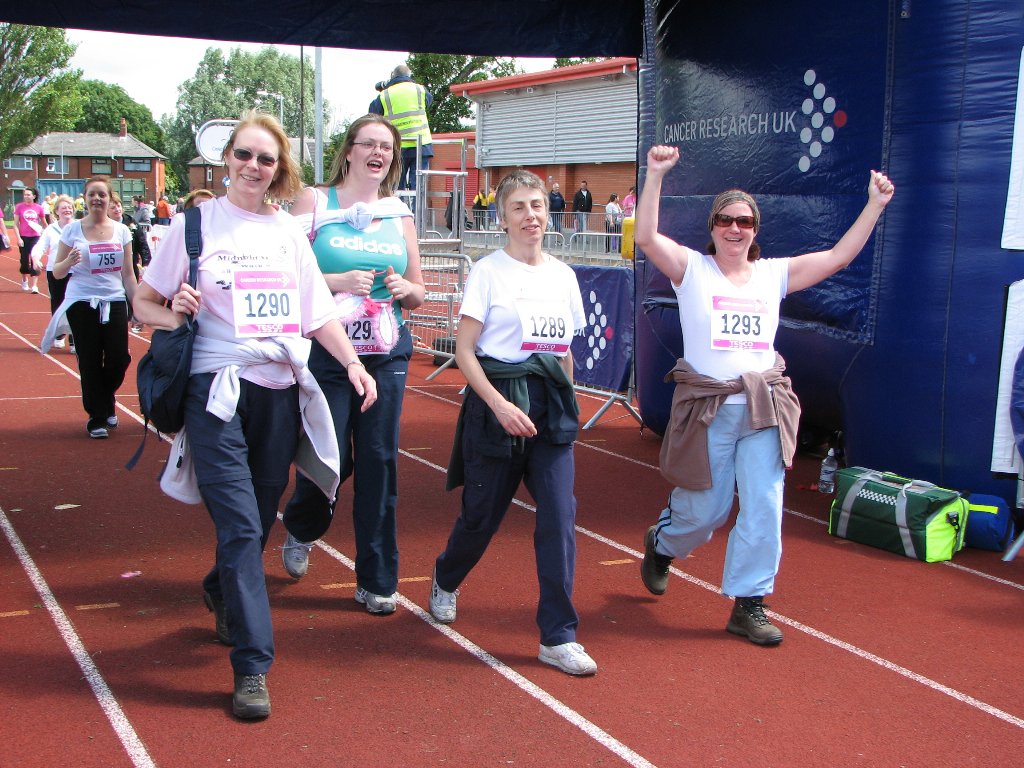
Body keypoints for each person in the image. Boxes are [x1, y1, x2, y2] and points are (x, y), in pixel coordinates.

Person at [132, 111, 378, 720]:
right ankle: (252, 667)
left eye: (265, 160)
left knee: (260, 514)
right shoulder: (192, 226)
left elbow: (316, 313)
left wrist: (352, 365)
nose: (253, 167)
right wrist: (176, 309)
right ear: (227, 160)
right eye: (244, 155)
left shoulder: (289, 234)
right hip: (215, 392)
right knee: (241, 525)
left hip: (278, 390)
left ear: (279, 169)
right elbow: (143, 303)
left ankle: (221, 588)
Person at [634, 144, 895, 646]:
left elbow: (839, 258)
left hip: (762, 407)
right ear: (712, 227)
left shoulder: (774, 273)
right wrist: (656, 174)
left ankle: (749, 603)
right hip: (709, 408)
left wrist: (874, 206)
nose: (736, 229)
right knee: (704, 511)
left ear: (756, 229)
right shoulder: (691, 269)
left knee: (764, 504)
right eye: (727, 220)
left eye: (746, 222)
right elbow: (645, 235)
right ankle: (663, 544)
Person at [428, 169, 598, 677]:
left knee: (559, 515)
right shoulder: (488, 272)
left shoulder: (564, 276)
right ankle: (446, 576)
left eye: (538, 206)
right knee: (481, 516)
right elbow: (464, 351)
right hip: (498, 402)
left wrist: (569, 409)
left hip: (550, 408)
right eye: (520, 207)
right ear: (502, 218)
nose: (531, 216)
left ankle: (558, 635)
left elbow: (564, 353)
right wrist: (499, 407)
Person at [279, 113, 424, 615]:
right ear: (349, 150)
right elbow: (287, 273)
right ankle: (302, 525)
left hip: (385, 350)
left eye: (387, 147)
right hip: (328, 347)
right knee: (332, 453)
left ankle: (378, 579)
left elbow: (420, 290)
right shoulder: (313, 203)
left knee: (380, 461)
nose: (378, 153)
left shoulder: (398, 213)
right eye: (369, 144)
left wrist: (408, 291)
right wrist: (337, 283)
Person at [42, 177, 138, 438]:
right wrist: (70, 260)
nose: (97, 199)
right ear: (85, 198)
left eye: (102, 195)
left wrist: (138, 305)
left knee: (119, 358)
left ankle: (104, 399)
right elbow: (58, 272)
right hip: (82, 301)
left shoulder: (121, 231)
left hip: (114, 300)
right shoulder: (72, 230)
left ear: (110, 199)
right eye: (92, 195)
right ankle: (97, 416)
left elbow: (128, 274)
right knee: (90, 359)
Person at [369, 64, 434, 192]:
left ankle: (399, 211)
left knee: (397, 186)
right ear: (409, 75)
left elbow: (373, 113)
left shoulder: (385, 94)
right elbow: (428, 102)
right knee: (419, 188)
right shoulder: (420, 89)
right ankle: (416, 212)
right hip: (421, 145)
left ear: (392, 76)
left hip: (397, 146)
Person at [32, 194, 75, 349]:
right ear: (56, 211)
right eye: (63, 208)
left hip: (75, 272)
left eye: (70, 207)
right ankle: (59, 333)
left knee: (75, 304)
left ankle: (74, 339)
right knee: (58, 303)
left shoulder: (79, 227)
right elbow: (40, 246)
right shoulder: (51, 229)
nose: (67, 210)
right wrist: (36, 258)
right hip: (55, 271)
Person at [108, 193, 150, 332]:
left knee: (131, 292)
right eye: (113, 207)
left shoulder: (131, 223)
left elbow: (142, 243)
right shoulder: (104, 225)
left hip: (130, 265)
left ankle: (134, 317)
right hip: (111, 268)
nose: (117, 209)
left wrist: (146, 262)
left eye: (118, 206)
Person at [14, 187, 45, 293]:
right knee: (24, 261)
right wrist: (18, 238)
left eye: (28, 194)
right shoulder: (19, 207)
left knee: (35, 259)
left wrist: (47, 231)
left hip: (35, 237)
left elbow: (44, 222)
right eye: (25, 194)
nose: (26, 196)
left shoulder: (39, 208)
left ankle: (35, 285)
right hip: (23, 237)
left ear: (34, 196)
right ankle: (24, 280)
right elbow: (15, 224)